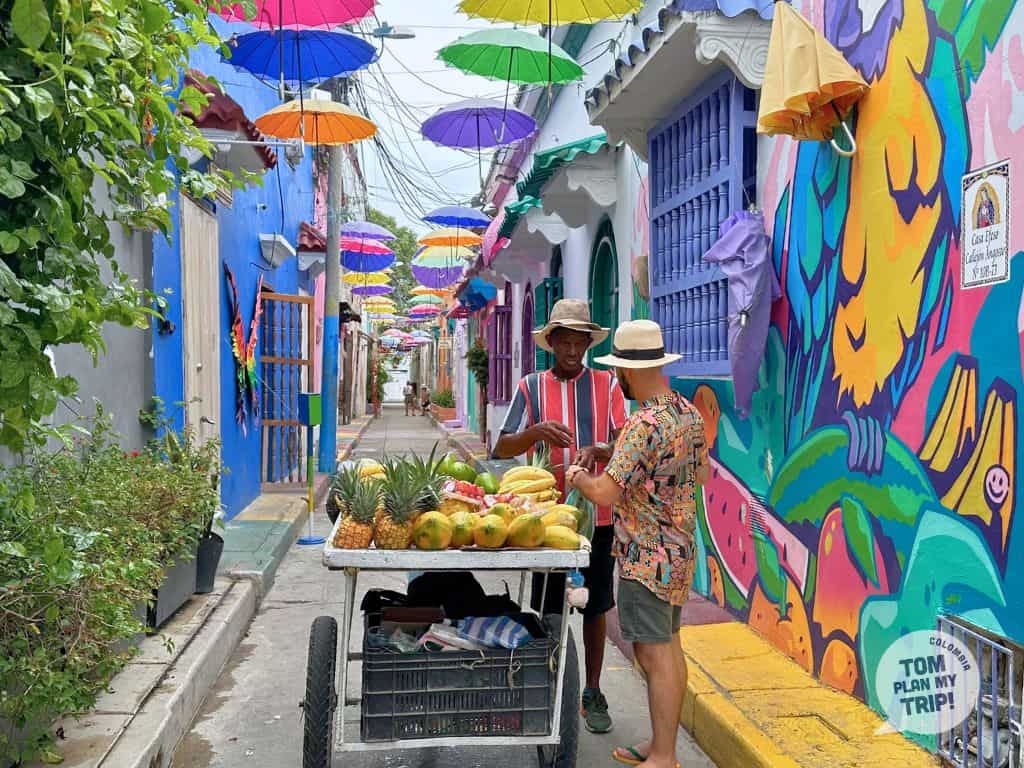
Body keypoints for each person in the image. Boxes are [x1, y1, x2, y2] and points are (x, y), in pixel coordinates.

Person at [565, 319, 709, 768]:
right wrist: (618, 456)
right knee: (669, 647)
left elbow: (606, 493)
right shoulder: (685, 413)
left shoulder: (642, 423)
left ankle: (664, 755)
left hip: (647, 558)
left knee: (653, 654)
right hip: (680, 551)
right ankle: (659, 743)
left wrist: (578, 478)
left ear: (627, 370)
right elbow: (696, 473)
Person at [493, 298, 627, 734]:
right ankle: (546, 683)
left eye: (579, 344)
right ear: (550, 344)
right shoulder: (531, 386)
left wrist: (600, 449)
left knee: (597, 605)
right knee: (548, 605)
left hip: (598, 515)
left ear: (588, 343)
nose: (572, 352)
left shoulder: (606, 385)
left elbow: (626, 440)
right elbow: (501, 446)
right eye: (564, 343)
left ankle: (591, 689)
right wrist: (535, 432)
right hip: (543, 519)